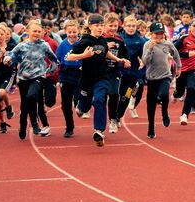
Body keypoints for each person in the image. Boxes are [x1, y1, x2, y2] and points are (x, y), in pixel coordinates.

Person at [66, 14, 130, 147]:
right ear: (90, 26)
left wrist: (118, 60)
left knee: (100, 99)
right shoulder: (84, 41)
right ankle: (82, 106)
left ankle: (99, 131)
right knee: (85, 105)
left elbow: (105, 52)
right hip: (87, 79)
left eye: (101, 25)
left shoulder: (102, 40)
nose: (100, 28)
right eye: (97, 25)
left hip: (102, 77)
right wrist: (84, 55)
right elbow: (69, 57)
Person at [4, 20, 60, 140]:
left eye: (39, 31)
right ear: (28, 31)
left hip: (38, 77)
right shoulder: (22, 45)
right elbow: (11, 55)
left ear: (43, 32)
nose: (37, 33)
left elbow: (54, 59)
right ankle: (23, 125)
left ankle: (34, 123)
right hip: (23, 78)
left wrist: (51, 70)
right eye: (34, 31)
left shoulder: (44, 45)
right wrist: (7, 59)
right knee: (24, 106)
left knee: (31, 96)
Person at [141, 21, 181, 139]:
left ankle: (164, 113)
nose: (159, 36)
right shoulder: (147, 45)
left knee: (164, 94)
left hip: (165, 75)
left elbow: (176, 55)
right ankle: (151, 127)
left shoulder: (167, 44)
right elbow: (145, 61)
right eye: (156, 33)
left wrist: (178, 67)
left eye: (161, 33)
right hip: (152, 78)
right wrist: (151, 49)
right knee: (151, 105)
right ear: (151, 34)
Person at [173, 17, 195, 126]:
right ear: (190, 28)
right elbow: (173, 51)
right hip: (182, 68)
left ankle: (184, 115)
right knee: (180, 92)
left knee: (192, 89)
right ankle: (176, 93)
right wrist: (186, 54)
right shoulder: (184, 38)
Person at [117, 15, 147, 121]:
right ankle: (116, 115)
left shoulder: (140, 40)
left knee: (127, 95)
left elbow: (145, 54)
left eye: (133, 26)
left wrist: (143, 60)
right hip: (120, 73)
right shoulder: (119, 38)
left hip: (133, 74)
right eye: (129, 26)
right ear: (124, 26)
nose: (131, 28)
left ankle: (118, 116)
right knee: (119, 95)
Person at [55, 19, 82, 138]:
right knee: (65, 104)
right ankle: (69, 127)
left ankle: (81, 106)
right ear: (65, 32)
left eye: (74, 32)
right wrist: (58, 79)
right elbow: (57, 60)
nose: (72, 34)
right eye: (69, 32)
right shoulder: (62, 45)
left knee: (78, 100)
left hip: (79, 74)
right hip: (65, 75)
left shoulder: (81, 44)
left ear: (78, 31)